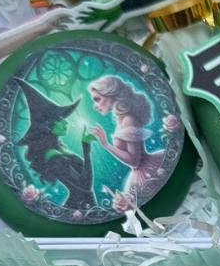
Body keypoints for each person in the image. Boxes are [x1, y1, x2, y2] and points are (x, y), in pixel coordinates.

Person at [15, 79, 96, 210]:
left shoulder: (59, 149)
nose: (66, 122)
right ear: (48, 126)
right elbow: (85, 187)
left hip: (83, 207)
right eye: (60, 119)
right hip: (77, 208)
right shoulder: (54, 157)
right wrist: (86, 149)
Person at [89, 75, 163, 196]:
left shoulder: (128, 120)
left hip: (146, 171)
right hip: (140, 172)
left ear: (110, 96)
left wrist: (106, 144)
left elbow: (134, 162)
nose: (95, 105)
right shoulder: (123, 119)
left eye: (97, 99)